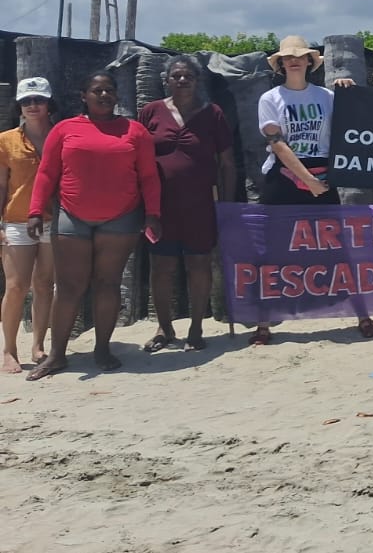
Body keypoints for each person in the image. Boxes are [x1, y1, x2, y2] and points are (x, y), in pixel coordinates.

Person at [26, 71, 162, 378]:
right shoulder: (64, 129)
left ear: (116, 95)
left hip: (122, 216)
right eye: (97, 91)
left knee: (107, 283)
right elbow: (47, 173)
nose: (104, 95)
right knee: (69, 286)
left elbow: (149, 176)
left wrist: (153, 213)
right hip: (72, 216)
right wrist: (36, 210)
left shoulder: (135, 131)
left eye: (109, 90)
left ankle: (102, 348)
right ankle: (58, 355)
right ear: (83, 97)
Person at [251, 36, 370, 345]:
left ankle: (364, 315)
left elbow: (354, 123)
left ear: (309, 62)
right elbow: (277, 144)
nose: (293, 61)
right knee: (273, 252)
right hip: (283, 180)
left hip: (323, 174)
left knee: (337, 248)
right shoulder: (270, 99)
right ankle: (263, 324)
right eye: (287, 57)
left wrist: (348, 91)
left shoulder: (327, 96)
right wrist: (307, 179)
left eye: (300, 56)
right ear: (279, 64)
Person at [137, 56, 236, 352]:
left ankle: (196, 328)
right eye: (176, 76)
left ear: (196, 80)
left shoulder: (212, 113)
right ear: (166, 80)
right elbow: (137, 157)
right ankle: (164, 329)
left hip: (200, 204)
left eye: (188, 76)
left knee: (198, 264)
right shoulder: (150, 112)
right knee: (162, 267)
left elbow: (227, 163)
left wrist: (227, 206)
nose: (182, 80)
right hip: (160, 206)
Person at [1, 78, 57, 374]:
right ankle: (9, 350)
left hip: (54, 219)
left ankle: (38, 345)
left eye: (38, 100)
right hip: (16, 219)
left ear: (49, 103)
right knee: (16, 286)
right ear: (19, 106)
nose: (33, 106)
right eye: (26, 101)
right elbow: (0, 185)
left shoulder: (62, 135)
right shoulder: (5, 140)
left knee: (45, 285)